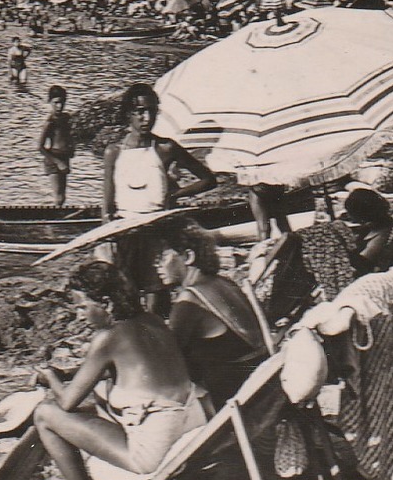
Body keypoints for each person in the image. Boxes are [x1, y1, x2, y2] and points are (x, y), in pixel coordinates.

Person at [30, 260, 206, 480]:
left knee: (45, 414)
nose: (79, 315)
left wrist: (50, 376)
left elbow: (67, 402)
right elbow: (125, 367)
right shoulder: (152, 319)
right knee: (102, 393)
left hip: (153, 452)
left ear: (107, 304)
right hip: (192, 426)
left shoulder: (108, 337)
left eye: (82, 306)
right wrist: (70, 374)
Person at [101, 83, 217, 296]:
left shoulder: (166, 148)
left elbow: (208, 179)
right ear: (129, 114)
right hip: (125, 233)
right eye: (140, 112)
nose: (147, 118)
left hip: (158, 231)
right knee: (128, 296)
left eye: (152, 111)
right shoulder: (114, 153)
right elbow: (107, 205)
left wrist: (175, 195)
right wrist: (108, 240)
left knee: (157, 294)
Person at [140, 217, 268, 409]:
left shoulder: (189, 300)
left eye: (162, 257)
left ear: (188, 257)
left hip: (234, 394)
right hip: (260, 380)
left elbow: (167, 357)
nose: (155, 265)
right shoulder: (223, 282)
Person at [341, 187, 393, 274]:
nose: (348, 215)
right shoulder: (376, 225)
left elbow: (364, 263)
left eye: (350, 213)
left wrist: (343, 246)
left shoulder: (383, 234)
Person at [38, 85, 75, 206]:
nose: (59, 106)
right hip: (54, 159)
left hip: (64, 157)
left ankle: (60, 217)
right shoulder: (50, 122)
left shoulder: (66, 118)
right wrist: (58, 162)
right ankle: (55, 220)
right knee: (58, 196)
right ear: (50, 102)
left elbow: (69, 135)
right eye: (56, 103)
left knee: (63, 196)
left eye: (62, 103)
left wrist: (72, 148)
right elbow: (40, 147)